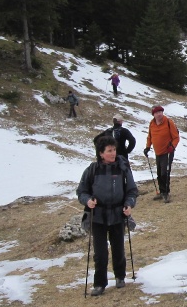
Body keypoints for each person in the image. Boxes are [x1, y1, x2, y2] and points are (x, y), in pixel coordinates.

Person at [77, 135, 138, 296]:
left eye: (114, 150)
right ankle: (99, 283)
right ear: (101, 153)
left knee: (118, 247)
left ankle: (120, 276)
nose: (113, 153)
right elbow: (81, 191)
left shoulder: (122, 168)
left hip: (118, 213)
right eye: (109, 151)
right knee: (100, 252)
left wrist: (129, 204)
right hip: (97, 216)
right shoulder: (92, 170)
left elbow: (132, 190)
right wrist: (87, 200)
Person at [144, 106, 180, 202]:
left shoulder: (169, 122)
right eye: (157, 112)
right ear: (153, 114)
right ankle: (161, 191)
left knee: (165, 172)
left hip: (167, 152)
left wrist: (172, 147)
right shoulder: (152, 123)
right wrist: (147, 147)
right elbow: (150, 137)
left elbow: (176, 137)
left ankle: (166, 193)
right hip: (158, 152)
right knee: (159, 173)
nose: (159, 114)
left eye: (160, 112)